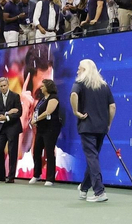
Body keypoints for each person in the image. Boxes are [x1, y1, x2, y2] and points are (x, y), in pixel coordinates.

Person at [71, 59, 115, 203]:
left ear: (84, 70)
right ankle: (84, 189)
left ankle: (99, 191)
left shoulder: (79, 83)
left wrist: (76, 112)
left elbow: (73, 95)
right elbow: (112, 107)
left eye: (79, 68)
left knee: (92, 158)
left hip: (87, 126)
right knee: (93, 158)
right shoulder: (104, 85)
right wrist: (108, 124)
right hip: (101, 128)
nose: (77, 71)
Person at [29, 79, 62, 186]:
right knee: (36, 151)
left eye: (43, 86)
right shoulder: (42, 99)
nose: (41, 88)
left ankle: (50, 178)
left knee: (49, 152)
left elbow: (48, 111)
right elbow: (36, 110)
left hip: (51, 128)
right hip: (41, 128)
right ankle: (37, 174)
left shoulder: (54, 98)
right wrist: (33, 120)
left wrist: (36, 119)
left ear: (48, 87)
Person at [0, 76, 22, 182]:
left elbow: (18, 112)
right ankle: (0, 176)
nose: (3, 88)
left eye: (4, 85)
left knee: (12, 151)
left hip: (13, 127)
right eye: (1, 86)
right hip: (1, 127)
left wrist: (7, 117)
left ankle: (11, 177)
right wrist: (7, 113)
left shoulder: (15, 96)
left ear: (8, 85)